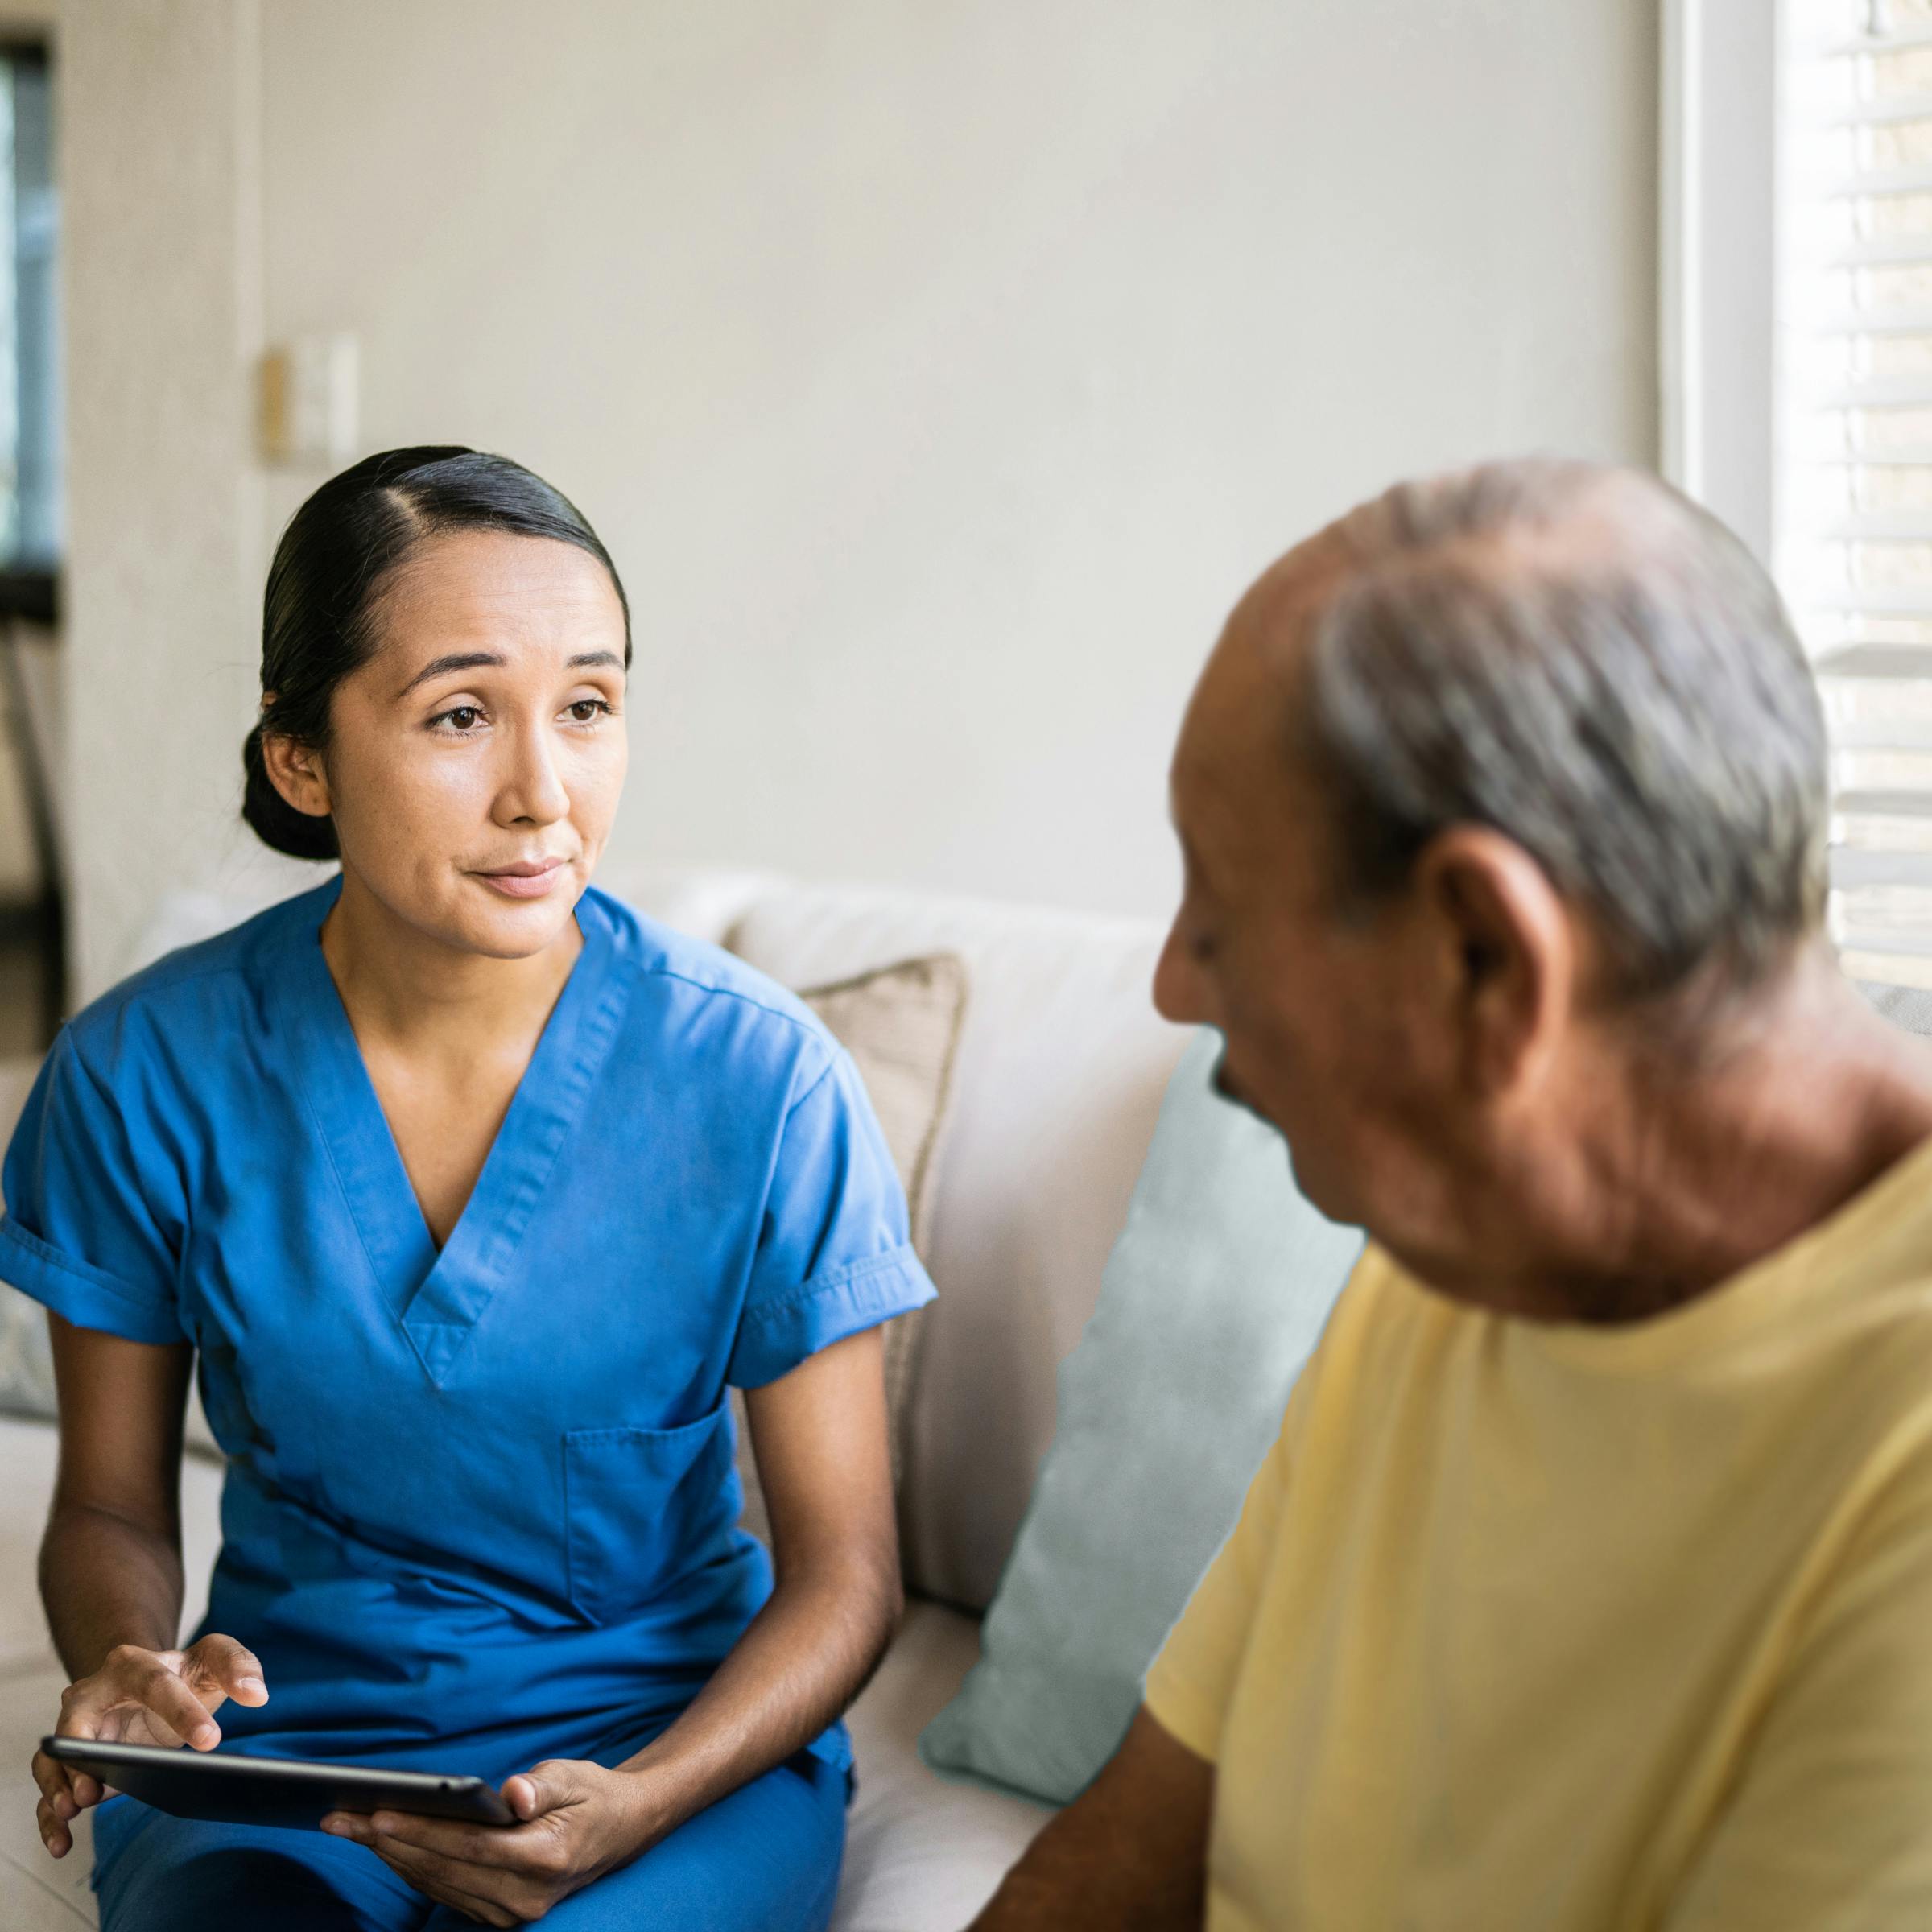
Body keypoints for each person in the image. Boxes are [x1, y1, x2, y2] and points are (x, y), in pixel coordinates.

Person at [972, 457, 1932, 1929]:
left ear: (1485, 961)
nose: (1172, 984)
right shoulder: (1449, 1252)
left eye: (1220, 916)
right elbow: (1139, 1843)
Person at [17, 445, 935, 1930]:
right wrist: (132, 1663)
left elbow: (846, 1577)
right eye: (460, 714)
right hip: (286, 1759)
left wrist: (643, 1802)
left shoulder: (766, 1089)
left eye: (586, 706)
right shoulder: (142, 1073)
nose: (542, 793)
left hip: (668, 1759)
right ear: (301, 758)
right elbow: (112, 1508)